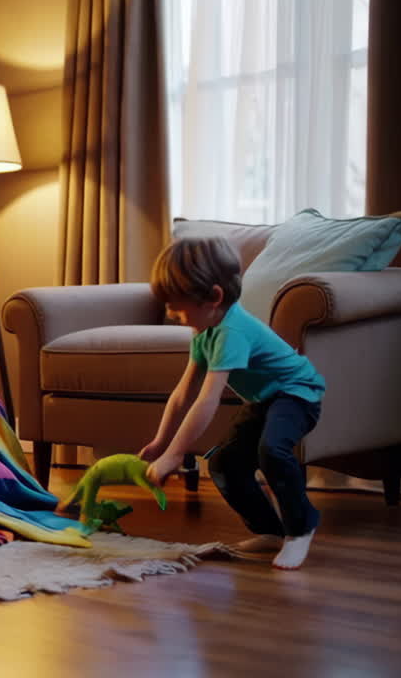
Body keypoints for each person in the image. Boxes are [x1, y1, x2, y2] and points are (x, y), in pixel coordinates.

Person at [137, 236, 326, 569]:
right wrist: (161, 442)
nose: (170, 314)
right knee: (224, 464)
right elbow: (184, 393)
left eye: (177, 305)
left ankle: (301, 526)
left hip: (298, 392)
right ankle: (271, 530)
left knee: (273, 452)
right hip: (266, 397)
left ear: (214, 297)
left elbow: (208, 399)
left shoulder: (231, 331)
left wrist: (177, 453)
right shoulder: (204, 329)